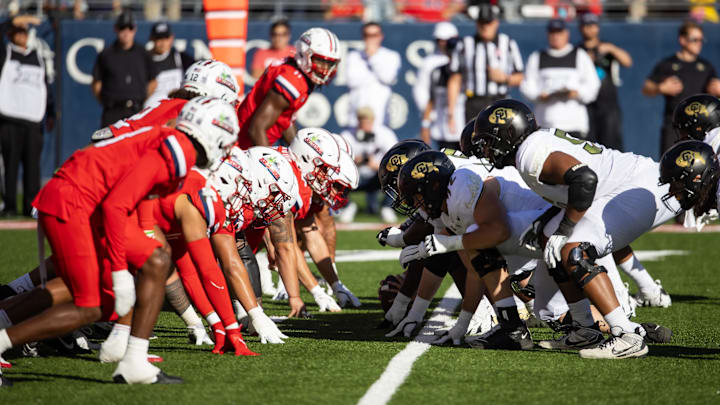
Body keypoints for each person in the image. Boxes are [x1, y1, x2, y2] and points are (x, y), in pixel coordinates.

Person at [0, 97, 238, 384]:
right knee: (88, 305)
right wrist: (118, 270)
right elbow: (117, 204)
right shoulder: (178, 151)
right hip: (76, 201)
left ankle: (134, 360)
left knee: (155, 260)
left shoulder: (175, 144)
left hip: (87, 202)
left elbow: (129, 198)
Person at [468, 99, 675, 358]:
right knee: (547, 239)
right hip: (628, 187)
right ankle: (584, 329)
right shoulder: (532, 148)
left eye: (489, 141)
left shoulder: (530, 153)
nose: (486, 149)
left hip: (643, 188)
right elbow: (573, 189)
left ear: (509, 135)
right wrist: (549, 223)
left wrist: (565, 228)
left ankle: (627, 334)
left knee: (572, 248)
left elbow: (585, 179)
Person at [236, 27, 341, 149]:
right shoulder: (292, 80)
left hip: (250, 145)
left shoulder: (300, 76)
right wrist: (269, 164)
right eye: (320, 61)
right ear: (304, 54)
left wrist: (300, 153)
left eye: (329, 64)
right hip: (242, 149)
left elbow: (284, 121)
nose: (325, 69)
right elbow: (256, 129)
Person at [0, 16, 53, 217]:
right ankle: (10, 206)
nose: (22, 36)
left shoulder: (37, 56)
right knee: (10, 166)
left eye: (24, 32)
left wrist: (50, 111)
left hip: (32, 121)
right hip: (10, 119)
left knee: (33, 168)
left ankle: (31, 206)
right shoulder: (6, 53)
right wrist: (16, 20)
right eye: (18, 32)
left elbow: (44, 87)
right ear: (11, 35)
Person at [642, 20, 720, 156]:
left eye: (701, 40)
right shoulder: (668, 64)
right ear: (683, 40)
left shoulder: (706, 67)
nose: (699, 43)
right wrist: (660, 87)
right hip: (675, 126)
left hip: (700, 127)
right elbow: (647, 88)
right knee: (670, 165)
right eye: (694, 39)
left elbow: (715, 92)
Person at [447, 3, 524, 132]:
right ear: (477, 23)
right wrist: (451, 112)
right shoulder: (465, 44)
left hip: (500, 101)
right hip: (474, 102)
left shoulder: (508, 43)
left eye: (488, 22)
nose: (485, 27)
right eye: (482, 22)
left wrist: (504, 78)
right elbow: (455, 79)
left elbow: (521, 77)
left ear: (496, 23)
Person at [520, 19, 600, 139]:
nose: (556, 36)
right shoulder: (537, 57)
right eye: (552, 33)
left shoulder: (579, 55)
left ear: (566, 33)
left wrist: (576, 93)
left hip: (574, 125)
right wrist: (539, 95)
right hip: (546, 124)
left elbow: (593, 85)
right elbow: (526, 86)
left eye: (559, 32)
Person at [91, 11, 158, 128]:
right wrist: (107, 102)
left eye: (130, 28)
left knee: (137, 145)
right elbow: (96, 84)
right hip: (112, 111)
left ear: (135, 30)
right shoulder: (106, 54)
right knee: (108, 144)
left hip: (136, 111)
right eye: (122, 28)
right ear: (116, 29)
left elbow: (153, 81)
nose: (126, 32)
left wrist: (142, 99)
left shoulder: (143, 53)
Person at [578, 13, 632, 151]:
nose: (590, 29)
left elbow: (628, 62)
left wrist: (611, 49)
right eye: (586, 26)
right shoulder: (578, 52)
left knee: (612, 146)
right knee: (587, 147)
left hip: (608, 105)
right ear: (580, 28)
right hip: (586, 106)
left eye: (593, 25)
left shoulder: (607, 49)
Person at [339, 107, 398, 223]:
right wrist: (355, 161)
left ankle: (387, 207)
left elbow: (395, 159)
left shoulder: (384, 134)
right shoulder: (347, 135)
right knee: (335, 175)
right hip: (355, 176)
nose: (365, 124)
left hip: (378, 176)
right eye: (362, 120)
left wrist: (377, 165)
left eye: (368, 121)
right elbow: (339, 159)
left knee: (396, 173)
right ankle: (348, 206)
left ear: (373, 121)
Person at [413, 22, 463, 150]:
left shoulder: (466, 60)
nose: (444, 44)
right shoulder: (431, 64)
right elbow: (428, 94)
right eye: (440, 40)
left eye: (448, 41)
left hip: (465, 120)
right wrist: (428, 119)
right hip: (441, 122)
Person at [345, 22, 401, 131]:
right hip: (356, 119)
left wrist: (372, 57)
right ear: (363, 37)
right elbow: (351, 81)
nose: (371, 39)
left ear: (381, 36)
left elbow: (387, 78)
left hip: (380, 119)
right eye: (367, 35)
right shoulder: (353, 56)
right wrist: (374, 77)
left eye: (374, 35)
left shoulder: (391, 56)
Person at [144, 21, 194, 107]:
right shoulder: (145, 59)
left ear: (171, 38)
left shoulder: (180, 57)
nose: (162, 42)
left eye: (165, 38)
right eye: (158, 38)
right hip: (153, 107)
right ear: (152, 39)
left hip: (176, 107)